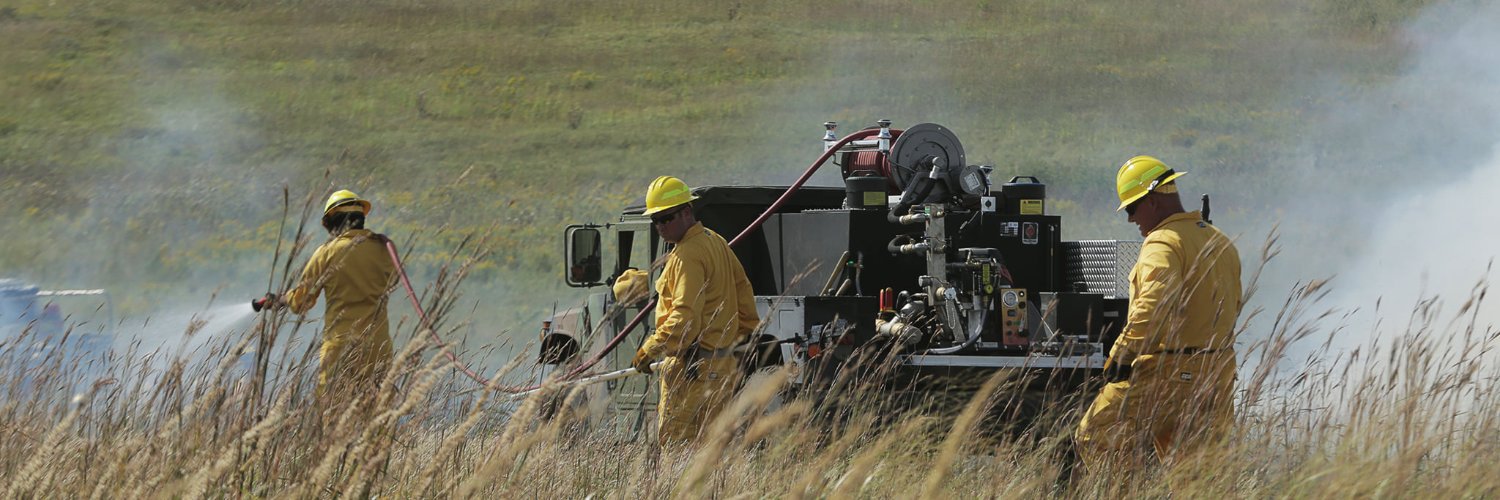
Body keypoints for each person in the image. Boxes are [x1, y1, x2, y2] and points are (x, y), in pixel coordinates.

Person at [1074, 155, 1243, 471]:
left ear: (1151, 200)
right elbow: (1233, 307)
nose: (1130, 219)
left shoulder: (1162, 244)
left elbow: (1155, 305)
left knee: (1097, 434)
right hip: (1217, 374)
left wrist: (1121, 355)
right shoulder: (1220, 241)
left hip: (1168, 373)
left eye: (1131, 208)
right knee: (1196, 475)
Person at [630, 176, 760, 447]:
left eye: (666, 218)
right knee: (713, 453)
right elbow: (744, 294)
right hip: (721, 369)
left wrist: (649, 350)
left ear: (687, 212)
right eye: (655, 220)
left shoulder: (687, 255)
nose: (661, 226)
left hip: (692, 372)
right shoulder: (716, 242)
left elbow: (684, 318)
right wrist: (741, 339)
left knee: (678, 452)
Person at [255, 189, 397, 400]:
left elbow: (301, 302)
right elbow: (393, 281)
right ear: (361, 218)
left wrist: (281, 300)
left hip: (340, 348)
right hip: (379, 347)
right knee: (378, 416)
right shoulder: (384, 248)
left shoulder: (327, 252)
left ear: (332, 223)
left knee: (331, 415)